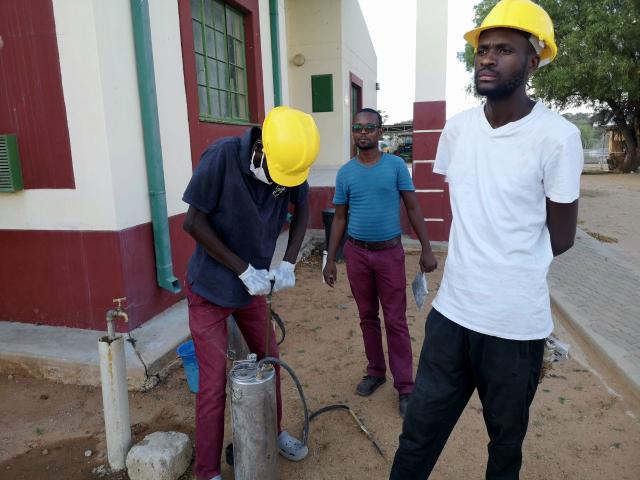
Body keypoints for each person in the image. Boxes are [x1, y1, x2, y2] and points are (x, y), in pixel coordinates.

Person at [390, 1, 583, 478]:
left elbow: (561, 238)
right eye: (483, 49)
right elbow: (472, 210)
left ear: (533, 61)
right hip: (453, 315)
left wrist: (509, 261)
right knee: (417, 435)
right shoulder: (457, 131)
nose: (488, 58)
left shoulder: (557, 137)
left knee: (505, 448)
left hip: (516, 328)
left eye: (505, 50)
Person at [182, 106, 320, 480]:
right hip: (210, 287)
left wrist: (289, 261)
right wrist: (240, 268)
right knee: (212, 383)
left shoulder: (290, 158)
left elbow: (304, 206)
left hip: (252, 288)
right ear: (261, 148)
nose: (284, 182)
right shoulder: (223, 156)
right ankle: (207, 471)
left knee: (269, 362)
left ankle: (271, 434)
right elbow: (192, 222)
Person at [323, 108, 438, 418]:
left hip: (389, 254)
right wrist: (331, 259)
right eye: (357, 128)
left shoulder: (396, 166)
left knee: (396, 320)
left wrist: (426, 248)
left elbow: (413, 209)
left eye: (369, 128)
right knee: (367, 317)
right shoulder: (346, 172)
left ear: (380, 131)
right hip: (357, 254)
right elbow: (340, 218)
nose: (363, 133)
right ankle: (376, 371)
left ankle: (405, 386)